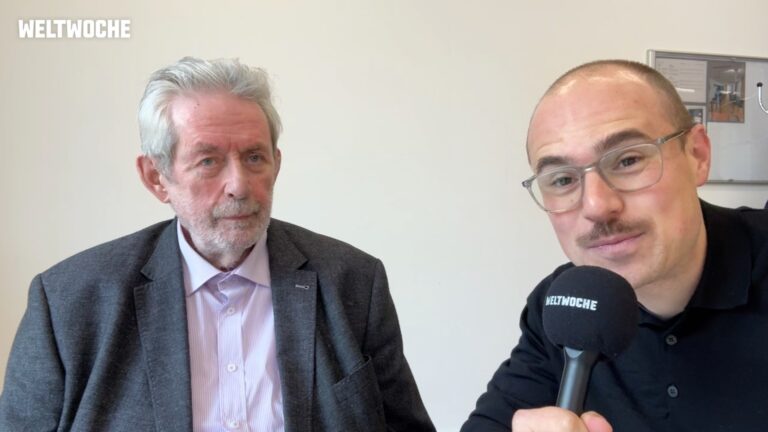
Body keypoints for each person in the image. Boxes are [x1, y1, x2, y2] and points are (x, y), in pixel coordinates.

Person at [0, 57, 435, 432]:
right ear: (157, 178)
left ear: (276, 164)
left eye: (254, 157)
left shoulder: (352, 282)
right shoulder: (70, 302)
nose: (239, 185)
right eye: (208, 161)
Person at [461, 59, 768, 431]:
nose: (596, 206)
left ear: (697, 156)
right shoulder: (566, 306)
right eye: (562, 180)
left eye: (627, 160)